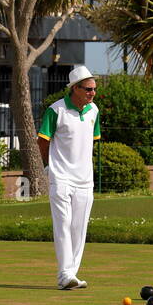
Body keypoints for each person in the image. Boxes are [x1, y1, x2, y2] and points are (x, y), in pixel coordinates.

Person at [38, 65, 101, 291]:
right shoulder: (56, 111)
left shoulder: (94, 111)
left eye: (94, 89)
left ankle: (71, 274)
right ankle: (65, 274)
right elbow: (43, 141)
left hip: (85, 180)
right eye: (88, 89)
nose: (92, 93)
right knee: (63, 224)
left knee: (79, 227)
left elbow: (91, 141)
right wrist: (49, 166)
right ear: (75, 88)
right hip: (61, 178)